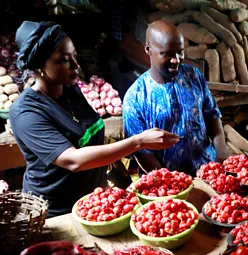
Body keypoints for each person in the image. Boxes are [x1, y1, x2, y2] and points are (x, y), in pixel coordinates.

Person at [10, 21, 179, 217]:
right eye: (64, 60)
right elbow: (73, 160)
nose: (76, 65)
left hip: (94, 203)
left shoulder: (69, 88)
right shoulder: (26, 112)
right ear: (40, 66)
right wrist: (138, 142)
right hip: (57, 213)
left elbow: (91, 135)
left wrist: (123, 182)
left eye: (74, 56)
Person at [123, 21, 230, 176]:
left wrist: (222, 154)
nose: (176, 60)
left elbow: (212, 116)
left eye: (180, 52)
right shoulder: (135, 97)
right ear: (148, 49)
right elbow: (141, 152)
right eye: (167, 54)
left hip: (208, 173)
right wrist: (171, 182)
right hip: (165, 185)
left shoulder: (194, 76)